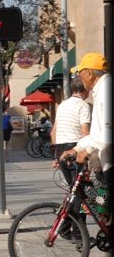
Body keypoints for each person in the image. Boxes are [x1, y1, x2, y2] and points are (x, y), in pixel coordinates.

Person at [61, 52, 111, 202]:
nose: (79, 78)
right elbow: (97, 133)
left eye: (80, 73)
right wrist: (76, 149)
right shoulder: (100, 90)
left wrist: (87, 152)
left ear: (89, 73)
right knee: (102, 207)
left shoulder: (105, 91)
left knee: (101, 205)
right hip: (105, 162)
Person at [51, 76, 91, 240]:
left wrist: (56, 155)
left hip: (61, 149)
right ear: (85, 90)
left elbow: (53, 132)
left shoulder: (62, 105)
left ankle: (65, 228)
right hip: (76, 149)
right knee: (80, 193)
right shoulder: (83, 106)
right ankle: (78, 233)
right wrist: (87, 153)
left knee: (74, 191)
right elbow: (85, 133)